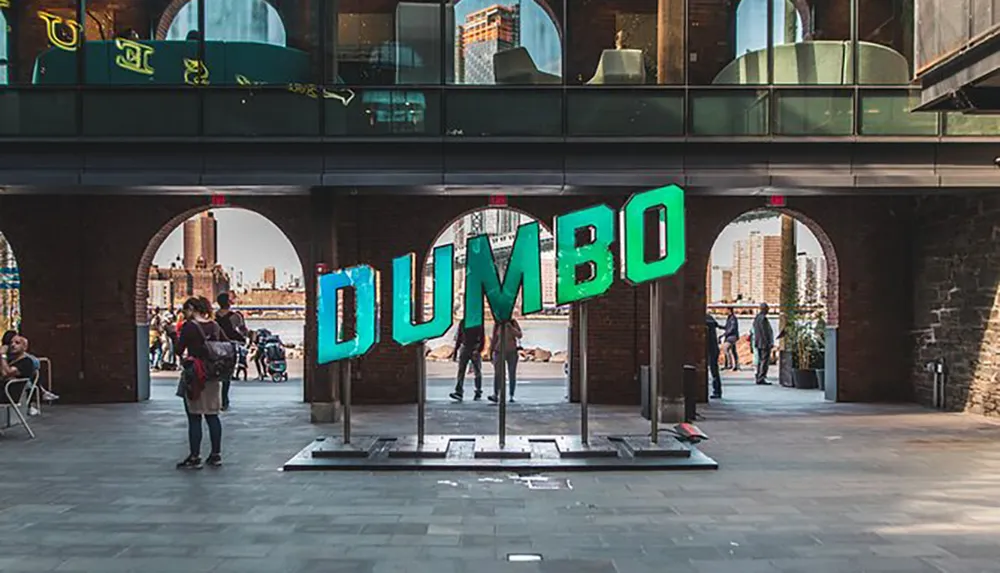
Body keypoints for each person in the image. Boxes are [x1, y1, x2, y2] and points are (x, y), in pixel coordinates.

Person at [175, 296, 228, 469]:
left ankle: (195, 456)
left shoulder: (189, 327)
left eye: (185, 310)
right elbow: (225, 344)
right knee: (213, 416)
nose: (184, 313)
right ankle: (216, 454)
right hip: (213, 375)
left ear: (191, 308)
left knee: (195, 416)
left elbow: (178, 350)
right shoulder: (214, 325)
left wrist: (172, 334)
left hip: (195, 375)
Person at [0, 333, 54, 416]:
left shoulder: (26, 362)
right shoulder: (10, 361)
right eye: (11, 343)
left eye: (17, 343)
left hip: (9, 394)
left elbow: (6, 373)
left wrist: (2, 355)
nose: (13, 345)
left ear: (24, 347)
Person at [214, 292, 247, 411]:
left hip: (216, 346)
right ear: (228, 302)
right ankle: (224, 400)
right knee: (227, 374)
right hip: (230, 346)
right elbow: (242, 329)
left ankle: (216, 399)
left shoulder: (214, 316)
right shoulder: (235, 316)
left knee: (216, 373)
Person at [449, 318, 485, 402]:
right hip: (466, 347)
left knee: (475, 371)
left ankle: (477, 391)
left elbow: (482, 338)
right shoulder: (469, 321)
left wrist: (479, 349)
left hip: (472, 347)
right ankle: (460, 391)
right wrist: (455, 351)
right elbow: (459, 337)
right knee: (464, 370)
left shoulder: (474, 322)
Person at [487, 318, 522, 403]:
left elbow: (519, 335)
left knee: (511, 374)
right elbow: (494, 338)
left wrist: (510, 327)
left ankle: (511, 394)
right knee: (498, 373)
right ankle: (496, 394)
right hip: (499, 351)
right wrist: (490, 352)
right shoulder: (497, 323)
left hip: (512, 352)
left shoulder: (513, 322)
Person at [752, 303, 774, 386]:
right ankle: (761, 377)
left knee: (760, 360)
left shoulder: (756, 318)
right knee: (764, 361)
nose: (768, 310)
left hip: (758, 342)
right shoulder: (763, 319)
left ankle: (758, 376)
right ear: (764, 309)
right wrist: (769, 343)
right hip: (764, 343)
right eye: (767, 309)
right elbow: (765, 332)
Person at [705, 314, 723, 399]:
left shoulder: (705, 320)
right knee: (714, 371)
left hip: (710, 349)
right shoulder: (710, 319)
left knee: (713, 370)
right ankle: (717, 390)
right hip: (713, 348)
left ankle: (717, 391)